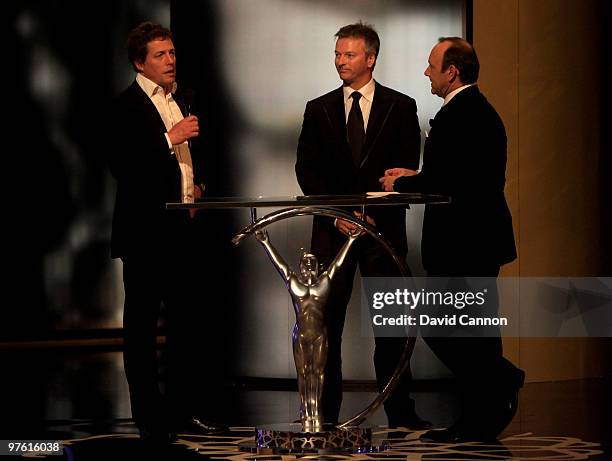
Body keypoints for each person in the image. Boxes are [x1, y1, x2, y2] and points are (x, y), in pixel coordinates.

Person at [380, 37, 525, 442]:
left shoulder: (466, 113)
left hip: (466, 243)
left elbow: (450, 179)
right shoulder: (470, 111)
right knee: (471, 330)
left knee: (444, 327)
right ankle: (481, 419)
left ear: (452, 72)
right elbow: (455, 174)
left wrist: (401, 182)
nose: (426, 72)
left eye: (432, 66)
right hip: (475, 241)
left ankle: (503, 379)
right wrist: (411, 178)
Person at [295, 22, 428, 429]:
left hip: (381, 232)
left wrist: (373, 217)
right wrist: (339, 214)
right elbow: (307, 169)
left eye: (348, 55)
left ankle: (401, 413)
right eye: (337, 54)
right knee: (327, 324)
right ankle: (326, 415)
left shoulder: (401, 106)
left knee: (391, 326)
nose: (340, 62)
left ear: (370, 59)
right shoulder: (318, 108)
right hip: (332, 231)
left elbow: (404, 171)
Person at [107, 21, 225, 443]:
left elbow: (190, 162)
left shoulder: (181, 99)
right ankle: (148, 416)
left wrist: (196, 186)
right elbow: (124, 166)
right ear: (140, 62)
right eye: (160, 54)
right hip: (145, 234)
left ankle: (182, 409)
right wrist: (167, 138)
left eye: (172, 52)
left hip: (181, 230)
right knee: (141, 328)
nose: (171, 60)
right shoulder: (126, 105)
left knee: (186, 324)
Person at [255, 229, 362, 432]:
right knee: (303, 373)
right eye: (306, 263)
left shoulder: (324, 282)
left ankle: (317, 410)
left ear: (317, 266)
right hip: (301, 335)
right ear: (301, 267)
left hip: (320, 335)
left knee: (318, 373)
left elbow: (337, 264)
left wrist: (350, 240)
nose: (309, 266)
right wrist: (265, 242)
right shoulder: (294, 282)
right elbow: (280, 266)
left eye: (313, 262)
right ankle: (305, 410)